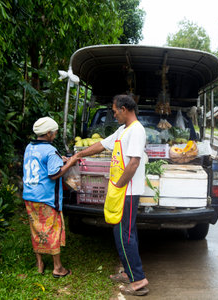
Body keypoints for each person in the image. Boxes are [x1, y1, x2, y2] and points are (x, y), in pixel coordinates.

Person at [76, 94, 149, 296]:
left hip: (128, 191)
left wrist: (118, 185)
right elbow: (101, 145)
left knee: (125, 235)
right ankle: (128, 273)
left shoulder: (137, 130)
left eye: (116, 111)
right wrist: (79, 154)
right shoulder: (122, 130)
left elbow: (134, 162)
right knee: (122, 233)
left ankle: (138, 280)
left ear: (125, 109)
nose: (114, 114)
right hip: (121, 190)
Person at [22, 117, 79, 278]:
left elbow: (40, 163)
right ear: (48, 134)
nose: (55, 135)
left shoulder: (29, 147)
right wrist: (71, 161)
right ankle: (58, 267)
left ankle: (39, 264)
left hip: (30, 195)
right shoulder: (50, 150)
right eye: (54, 133)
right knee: (52, 230)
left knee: (36, 229)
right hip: (46, 198)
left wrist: (60, 160)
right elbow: (55, 174)